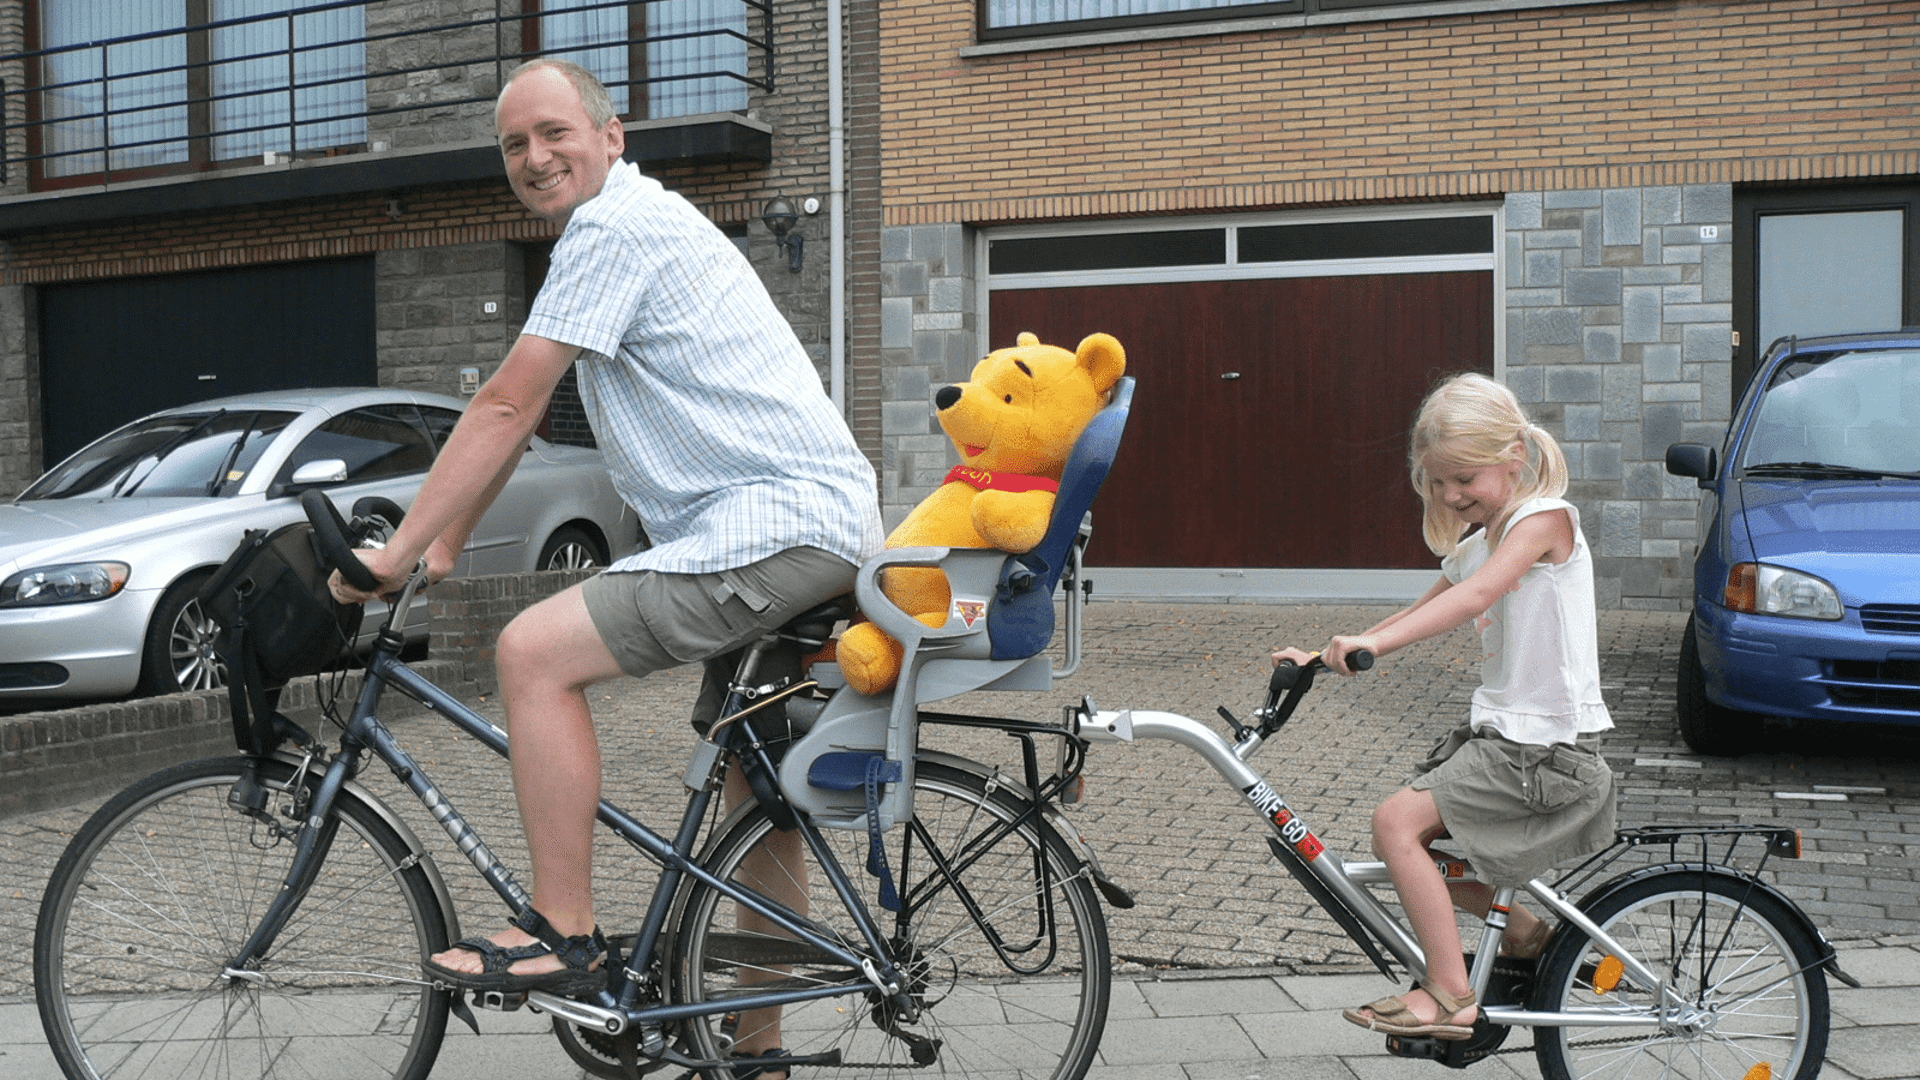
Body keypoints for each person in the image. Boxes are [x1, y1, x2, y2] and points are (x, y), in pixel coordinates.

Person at [329, 57, 884, 1068]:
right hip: (806, 529)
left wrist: (396, 551)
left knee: (533, 655)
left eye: (553, 133)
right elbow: (518, 408)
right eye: (513, 145)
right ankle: (752, 1046)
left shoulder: (612, 228)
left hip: (771, 532)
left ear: (610, 135)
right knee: (753, 797)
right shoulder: (633, 225)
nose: (534, 158)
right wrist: (447, 540)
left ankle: (561, 930)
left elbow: (506, 400)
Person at [1272, 372, 1615, 1042]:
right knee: (1427, 848)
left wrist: (1369, 643)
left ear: (1513, 457)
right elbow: (1422, 609)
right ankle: (1525, 933)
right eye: (1437, 483)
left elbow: (1473, 599)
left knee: (1396, 824)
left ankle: (1451, 994)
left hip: (1547, 751)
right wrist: (1324, 655)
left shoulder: (1542, 520)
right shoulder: (1483, 539)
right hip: (1509, 742)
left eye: (1465, 480)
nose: (1452, 496)